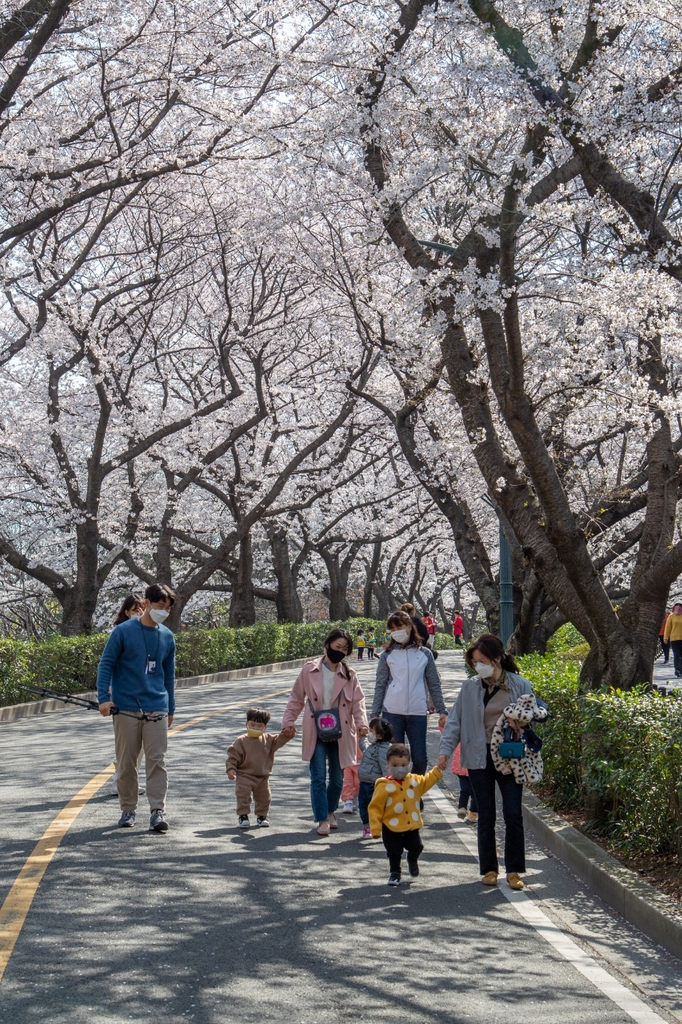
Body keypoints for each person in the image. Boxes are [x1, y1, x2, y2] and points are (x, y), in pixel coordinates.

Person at [438, 633, 535, 890]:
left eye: (481, 660)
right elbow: (455, 721)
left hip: (510, 757)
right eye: (474, 662)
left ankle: (514, 870)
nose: (477, 666)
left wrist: (523, 722)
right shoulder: (470, 687)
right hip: (479, 758)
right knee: (486, 815)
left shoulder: (520, 685)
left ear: (496, 659)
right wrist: (445, 751)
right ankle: (489, 869)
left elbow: (533, 717)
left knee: (513, 813)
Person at [97, 583, 176, 832]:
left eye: (167, 608)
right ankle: (128, 808)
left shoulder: (167, 636)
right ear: (147, 604)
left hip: (157, 707)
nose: (163, 611)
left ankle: (157, 811)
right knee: (127, 762)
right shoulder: (123, 632)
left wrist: (171, 708)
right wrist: (102, 698)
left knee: (157, 760)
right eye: (159, 606)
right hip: (126, 707)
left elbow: (169, 676)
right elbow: (106, 664)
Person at [281, 628, 369, 836]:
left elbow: (358, 702)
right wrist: (288, 721)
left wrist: (362, 723)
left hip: (342, 731)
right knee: (318, 776)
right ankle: (322, 818)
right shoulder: (309, 670)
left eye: (345, 649)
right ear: (328, 645)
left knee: (338, 778)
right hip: (316, 728)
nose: (340, 651)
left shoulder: (349, 674)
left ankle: (330, 811)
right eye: (337, 647)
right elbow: (296, 697)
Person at [371, 611, 447, 776]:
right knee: (396, 760)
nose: (396, 631)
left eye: (399, 626)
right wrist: (374, 714)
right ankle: (399, 797)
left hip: (417, 712)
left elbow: (434, 683)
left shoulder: (425, 654)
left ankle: (415, 794)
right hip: (391, 713)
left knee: (420, 759)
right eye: (392, 628)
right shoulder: (387, 655)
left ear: (409, 627)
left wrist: (442, 710)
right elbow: (380, 684)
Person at [368, 742, 443, 885]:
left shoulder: (414, 781)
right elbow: (375, 807)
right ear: (388, 766)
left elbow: (427, 781)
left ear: (409, 765)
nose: (399, 769)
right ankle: (394, 873)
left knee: (417, 846)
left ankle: (412, 858)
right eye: (395, 766)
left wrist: (437, 771)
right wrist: (375, 828)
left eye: (403, 765)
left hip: (411, 825)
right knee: (394, 852)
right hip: (390, 826)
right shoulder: (383, 785)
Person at [226, 707, 292, 828]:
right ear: (246, 724)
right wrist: (231, 769)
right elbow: (232, 757)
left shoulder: (268, 740)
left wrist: (286, 734)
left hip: (262, 776)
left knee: (265, 798)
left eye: (259, 726)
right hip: (244, 775)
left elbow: (279, 740)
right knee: (243, 795)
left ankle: (262, 817)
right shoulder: (240, 741)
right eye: (252, 725)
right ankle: (243, 815)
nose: (255, 728)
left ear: (264, 727)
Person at [357, 716, 394, 838]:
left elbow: (385, 769)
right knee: (363, 806)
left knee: (376, 807)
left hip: (375, 784)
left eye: (371, 731)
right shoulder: (373, 745)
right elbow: (364, 747)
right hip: (364, 782)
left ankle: (377, 825)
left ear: (379, 736)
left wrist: (387, 783)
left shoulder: (384, 750)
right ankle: (367, 826)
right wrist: (362, 737)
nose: (369, 733)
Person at [452, 743, 478, 821]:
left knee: (475, 792)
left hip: (475, 769)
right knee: (465, 789)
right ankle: (462, 808)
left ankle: (473, 811)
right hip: (462, 769)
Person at [341, 736, 362, 814]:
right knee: (347, 781)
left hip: (360, 760)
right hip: (347, 758)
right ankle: (348, 800)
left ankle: (355, 797)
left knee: (357, 783)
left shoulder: (364, 728)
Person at [663, 603, 682, 677]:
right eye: (677, 606)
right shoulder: (671, 616)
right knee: (677, 655)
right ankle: (677, 669)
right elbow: (668, 628)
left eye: (680, 606)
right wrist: (665, 637)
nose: (678, 608)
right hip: (674, 639)